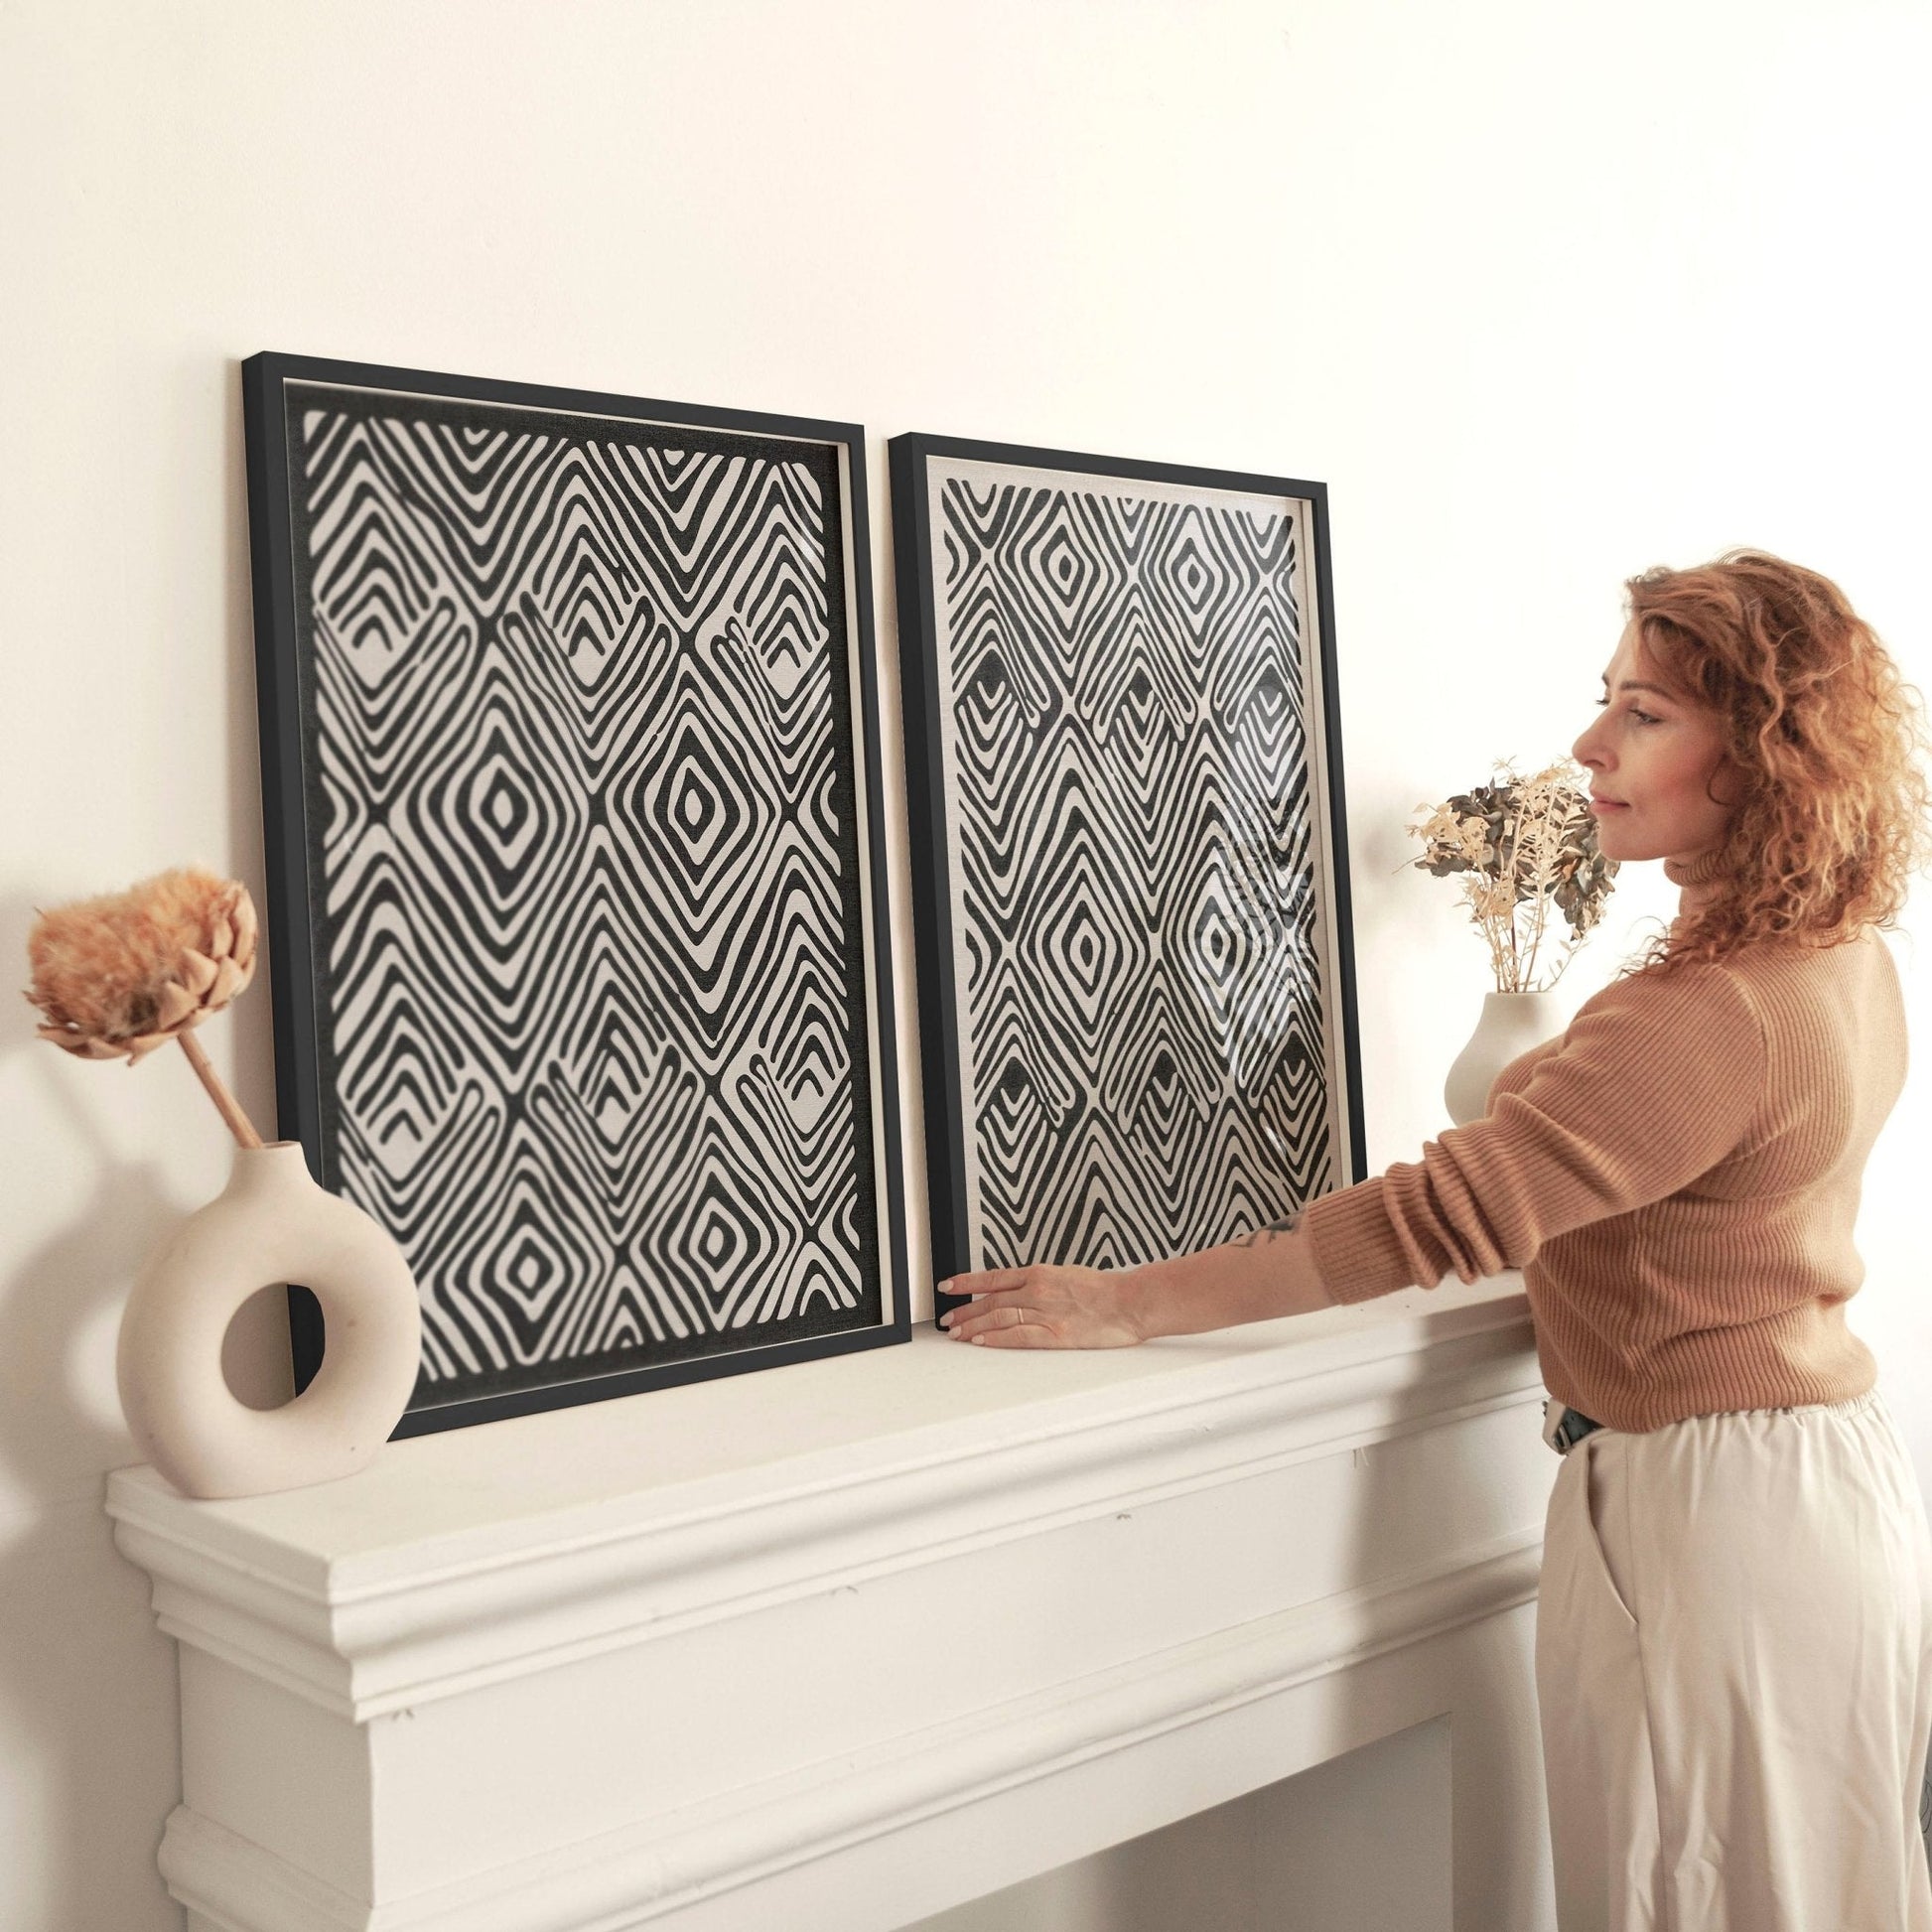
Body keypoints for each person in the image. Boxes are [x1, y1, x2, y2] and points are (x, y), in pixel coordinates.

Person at [937, 550, 1932, 1931]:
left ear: (1763, 754)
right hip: (1815, 1486)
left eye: (1644, 713)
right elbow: (1663, 1198)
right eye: (1606, 697)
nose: (1589, 743)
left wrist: (1128, 1305)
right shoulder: (1836, 956)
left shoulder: (1710, 1012)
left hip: (1714, 1516)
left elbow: (1430, 1220)